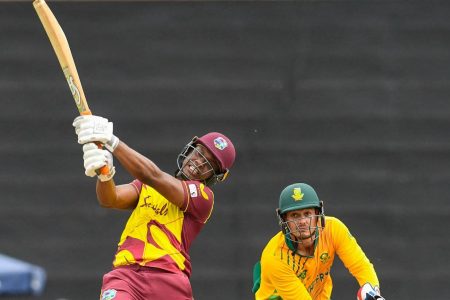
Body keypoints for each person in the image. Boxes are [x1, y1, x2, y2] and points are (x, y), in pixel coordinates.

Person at [72, 114, 236, 300]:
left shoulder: (203, 197)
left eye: (209, 164)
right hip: (126, 276)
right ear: (189, 149)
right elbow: (110, 199)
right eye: (198, 153)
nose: (198, 162)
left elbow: (152, 175)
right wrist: (104, 174)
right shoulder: (148, 186)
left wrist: (111, 140)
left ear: (215, 176)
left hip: (169, 281)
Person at [252, 183, 385, 300]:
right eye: (295, 215)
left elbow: (360, 266)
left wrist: (374, 294)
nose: (303, 221)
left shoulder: (333, 229)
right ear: (284, 220)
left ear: (318, 214)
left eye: (307, 213)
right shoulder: (275, 258)